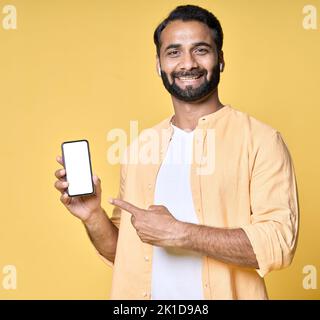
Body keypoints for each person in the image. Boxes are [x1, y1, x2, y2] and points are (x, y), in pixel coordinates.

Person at [54, 4, 299, 300]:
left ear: (220, 59)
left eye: (201, 50)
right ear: (158, 64)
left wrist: (180, 233)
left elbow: (278, 244)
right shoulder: (139, 149)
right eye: (174, 52)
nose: (188, 63)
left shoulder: (261, 140)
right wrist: (93, 215)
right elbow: (126, 255)